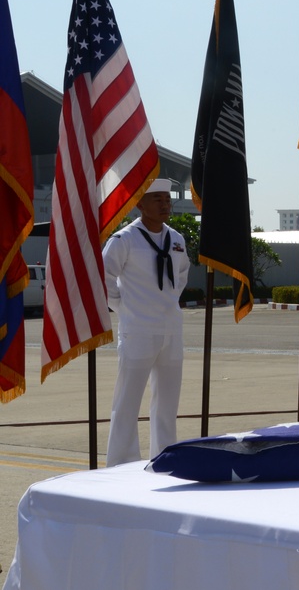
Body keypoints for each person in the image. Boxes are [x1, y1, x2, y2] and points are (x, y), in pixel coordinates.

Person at [102, 179, 190, 466]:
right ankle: (121, 461)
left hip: (170, 329)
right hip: (138, 329)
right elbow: (104, 278)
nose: (165, 204)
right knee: (128, 401)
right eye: (157, 199)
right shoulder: (124, 239)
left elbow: (182, 274)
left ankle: (164, 457)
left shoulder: (176, 238)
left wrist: (167, 303)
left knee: (167, 402)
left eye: (167, 199)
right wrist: (124, 308)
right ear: (140, 204)